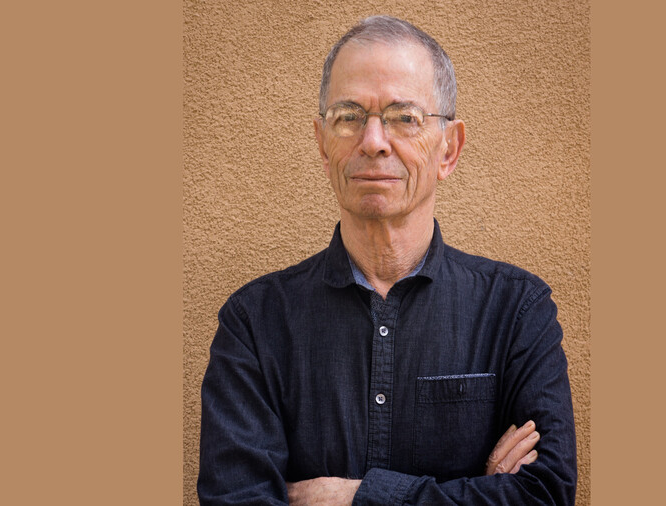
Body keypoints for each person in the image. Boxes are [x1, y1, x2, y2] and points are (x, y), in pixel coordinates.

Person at [198, 15, 577, 505]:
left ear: (450, 149)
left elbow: (544, 496)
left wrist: (357, 497)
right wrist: (478, 493)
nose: (373, 141)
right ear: (322, 143)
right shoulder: (254, 323)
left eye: (405, 117)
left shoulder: (517, 311)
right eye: (349, 116)